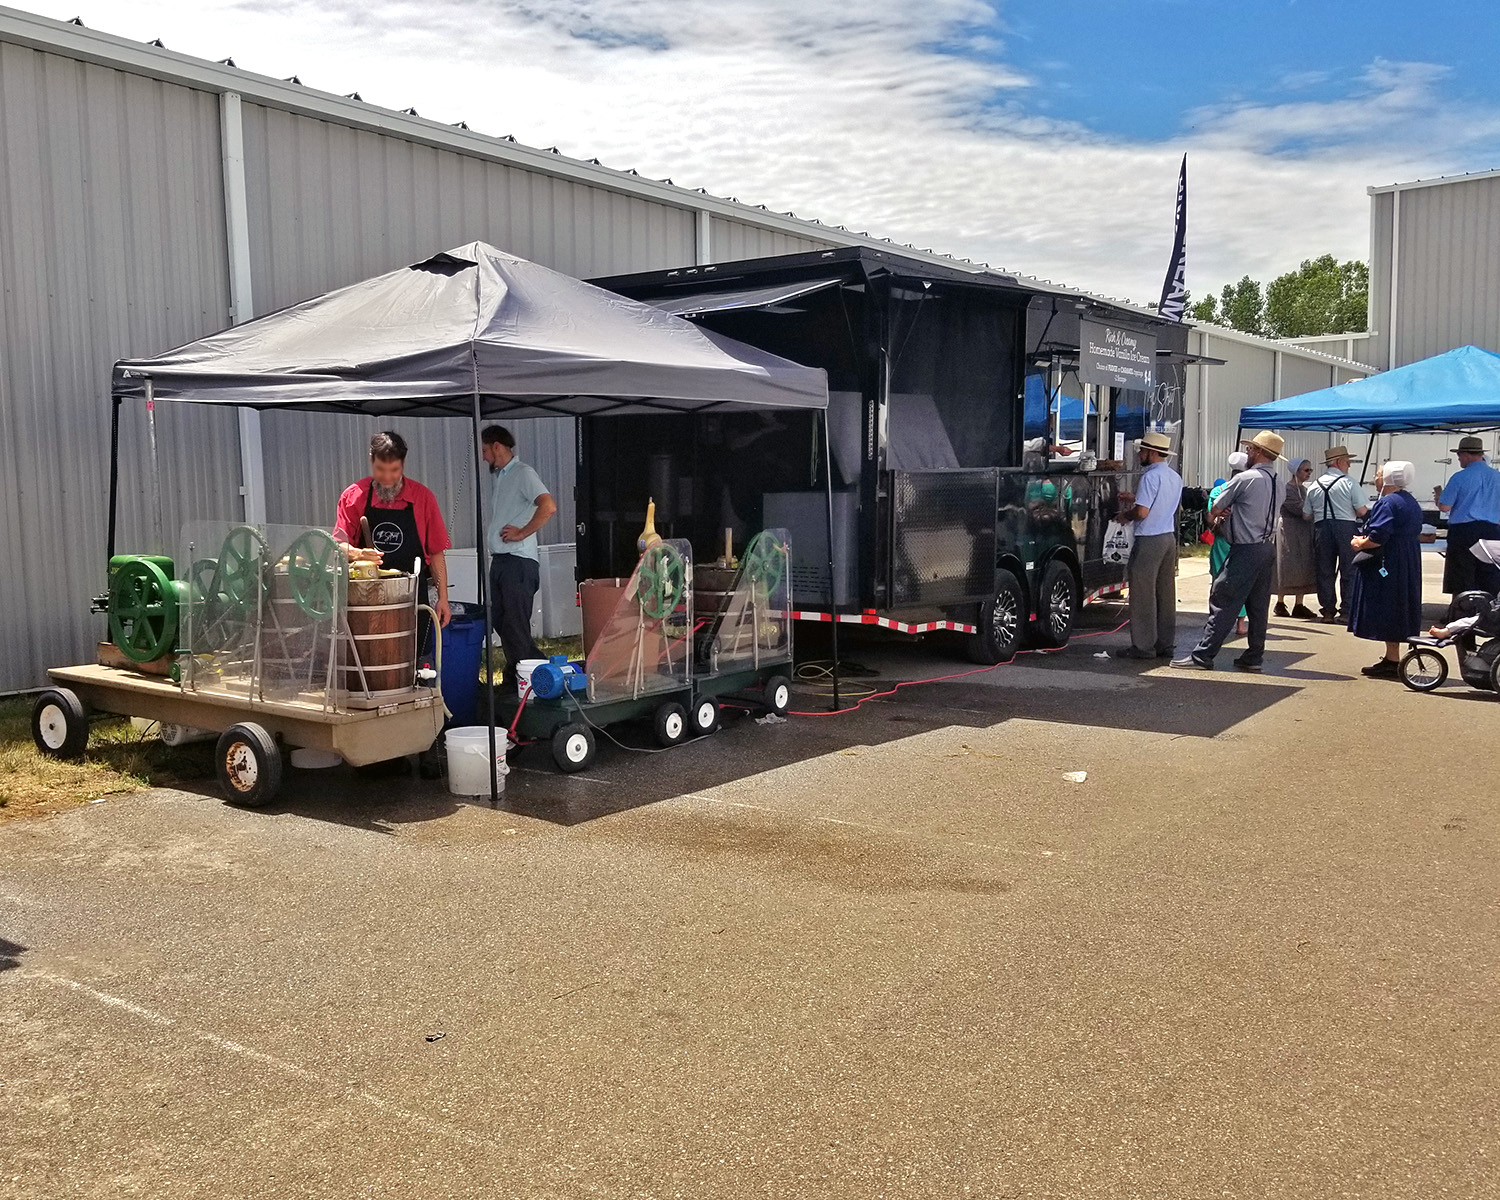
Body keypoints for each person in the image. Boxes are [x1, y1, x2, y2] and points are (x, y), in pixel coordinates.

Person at [1173, 431, 1284, 672]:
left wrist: (1217, 516)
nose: (1248, 453)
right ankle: (1254, 655)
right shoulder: (1278, 481)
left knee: (1224, 599)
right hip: (1266, 547)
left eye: (1251, 449)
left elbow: (1216, 507)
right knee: (1258, 604)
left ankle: (1203, 655)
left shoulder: (1246, 479)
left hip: (1245, 548)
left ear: (1258, 452)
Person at [332, 430, 452, 652]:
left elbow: (436, 553)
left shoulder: (422, 498)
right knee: (369, 658)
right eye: (380, 469)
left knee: (414, 659)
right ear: (371, 461)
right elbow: (337, 545)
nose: (387, 478)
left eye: (394, 470)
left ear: (403, 464)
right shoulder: (354, 496)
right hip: (365, 599)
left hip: (413, 599)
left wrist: (443, 598)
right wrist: (358, 554)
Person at [482, 425, 558, 689]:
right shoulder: (502, 476)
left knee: (514, 623)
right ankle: (525, 670)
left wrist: (523, 532)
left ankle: (534, 674)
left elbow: (548, 506)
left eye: (484, 451)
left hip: (519, 561)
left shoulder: (523, 473)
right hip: (502, 560)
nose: (483, 458)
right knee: (501, 619)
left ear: (496, 446)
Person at [1349, 460, 1424, 678]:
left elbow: (1378, 537)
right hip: (1407, 558)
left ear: (1388, 478)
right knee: (1400, 603)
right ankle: (1392, 657)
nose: (1375, 477)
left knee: (1387, 603)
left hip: (1389, 560)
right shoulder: (1410, 501)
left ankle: (1392, 660)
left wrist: (1359, 543)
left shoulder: (1387, 502)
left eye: (1379, 474)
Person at [1112, 431, 1182, 660]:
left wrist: (1125, 515)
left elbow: (1142, 512)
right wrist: (1134, 497)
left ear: (1151, 453)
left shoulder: (1150, 477)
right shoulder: (1174, 476)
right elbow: (1160, 502)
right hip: (1168, 536)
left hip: (1149, 537)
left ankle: (1143, 646)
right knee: (1165, 593)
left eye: (1142, 451)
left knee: (1143, 593)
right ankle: (1165, 644)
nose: (1140, 454)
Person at [1303, 445, 1369, 624]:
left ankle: (1327, 610)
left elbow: (1306, 515)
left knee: (1324, 570)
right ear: (1339, 462)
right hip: (1346, 527)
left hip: (1321, 529)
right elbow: (1362, 511)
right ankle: (1346, 610)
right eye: (1347, 462)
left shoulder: (1314, 486)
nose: (1348, 466)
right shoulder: (1349, 483)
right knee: (1349, 569)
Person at [1434, 435, 1500, 595]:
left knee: (1463, 576)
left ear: (1465, 455)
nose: (1459, 460)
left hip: (1464, 531)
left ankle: (1462, 612)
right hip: (1492, 531)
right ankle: (1489, 612)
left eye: (1459, 456)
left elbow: (1445, 506)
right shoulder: (1497, 477)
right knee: (1489, 575)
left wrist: (1438, 497)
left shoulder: (1459, 477)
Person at [1209, 452, 1250, 637]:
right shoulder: (1249, 490)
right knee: (1241, 582)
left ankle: (1215, 620)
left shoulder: (1218, 491)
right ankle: (1241, 623)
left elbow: (1210, 519)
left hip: (1221, 540)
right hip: (1243, 541)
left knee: (1218, 580)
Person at [1273, 458, 1317, 618]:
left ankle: (1299, 603)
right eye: (1306, 470)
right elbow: (1301, 510)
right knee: (1286, 564)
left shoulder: (1304, 490)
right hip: (1289, 530)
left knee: (1303, 565)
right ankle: (1280, 601)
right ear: (1296, 471)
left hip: (1303, 531)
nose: (1309, 473)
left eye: (1310, 470)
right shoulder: (1287, 490)